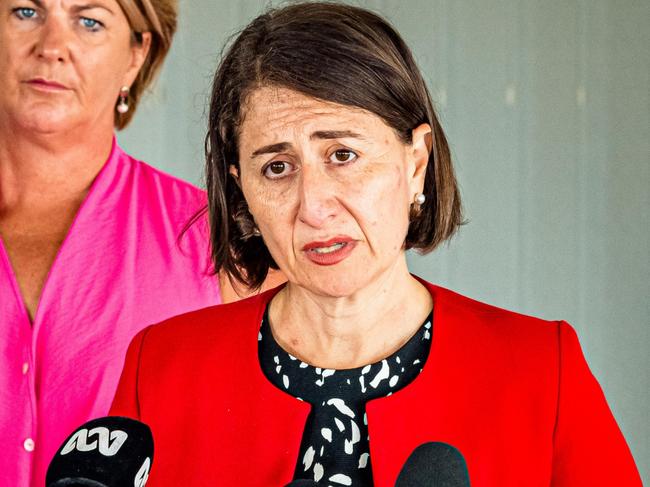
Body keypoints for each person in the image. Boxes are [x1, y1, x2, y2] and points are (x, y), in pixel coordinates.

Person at [110, 2, 642, 486]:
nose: (313, 206)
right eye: (277, 167)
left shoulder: (541, 371)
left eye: (342, 155)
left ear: (416, 162)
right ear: (241, 191)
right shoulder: (159, 368)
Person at [0, 1, 281, 485]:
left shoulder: (216, 240)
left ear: (135, 54)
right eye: (26, 12)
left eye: (89, 21)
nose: (51, 48)